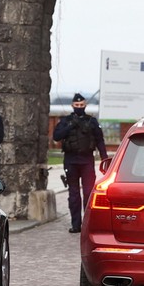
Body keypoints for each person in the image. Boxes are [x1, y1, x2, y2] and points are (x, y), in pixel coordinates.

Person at [52, 93, 109, 233]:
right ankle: (76, 225)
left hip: (87, 161)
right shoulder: (66, 121)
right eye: (76, 105)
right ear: (72, 105)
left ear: (85, 105)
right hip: (71, 161)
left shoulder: (92, 121)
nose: (79, 107)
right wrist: (70, 126)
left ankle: (88, 224)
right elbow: (56, 136)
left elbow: (100, 141)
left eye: (81, 105)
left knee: (89, 193)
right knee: (74, 195)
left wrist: (105, 159)